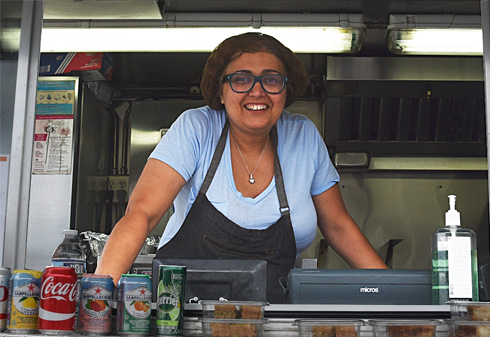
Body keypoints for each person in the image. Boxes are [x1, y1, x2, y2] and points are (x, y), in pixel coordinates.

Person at [95, 32, 387, 303]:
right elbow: (141, 215)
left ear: (286, 92)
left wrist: (392, 294)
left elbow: (338, 226)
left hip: (271, 319)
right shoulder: (197, 128)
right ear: (220, 92)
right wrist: (100, 294)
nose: (257, 92)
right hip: (180, 316)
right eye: (241, 80)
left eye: (271, 80)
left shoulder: (304, 137)